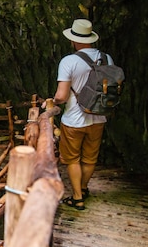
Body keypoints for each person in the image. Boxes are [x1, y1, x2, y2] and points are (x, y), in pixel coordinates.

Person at [49, 19, 114, 210]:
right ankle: (84, 188)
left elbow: (61, 96)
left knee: (72, 159)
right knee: (90, 158)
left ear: (73, 40)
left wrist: (53, 101)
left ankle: (77, 197)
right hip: (99, 117)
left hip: (74, 121)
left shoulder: (69, 61)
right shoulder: (107, 58)